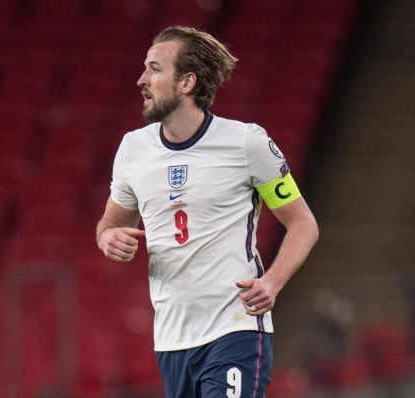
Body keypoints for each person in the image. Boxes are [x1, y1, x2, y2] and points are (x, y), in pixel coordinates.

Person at [96, 26, 319, 398]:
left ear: (186, 82)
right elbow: (112, 222)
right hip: (172, 338)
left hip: (235, 328)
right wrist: (108, 237)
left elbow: (302, 224)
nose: (141, 80)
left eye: (154, 69)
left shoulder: (246, 143)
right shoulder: (133, 149)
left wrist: (273, 282)